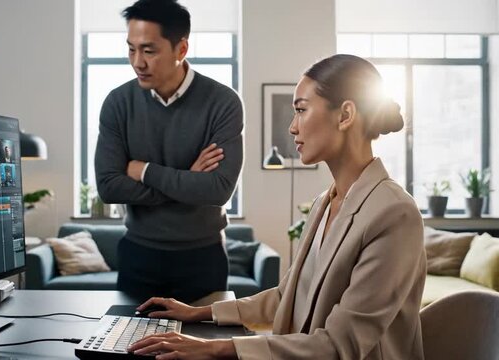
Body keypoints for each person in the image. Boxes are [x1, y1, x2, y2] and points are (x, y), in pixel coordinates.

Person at [129, 54, 426, 359]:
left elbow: (340, 346)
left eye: (301, 110)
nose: (292, 128)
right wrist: (198, 312)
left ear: (345, 114)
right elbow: (287, 296)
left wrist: (214, 348)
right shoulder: (325, 202)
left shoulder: (394, 214)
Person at [94, 0, 244, 303]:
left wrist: (144, 171)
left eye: (149, 50)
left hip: (203, 258)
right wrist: (188, 180)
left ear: (181, 49)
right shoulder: (117, 103)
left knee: (204, 347)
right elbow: (109, 186)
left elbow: (217, 190)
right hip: (139, 255)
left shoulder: (223, 103)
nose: (138, 62)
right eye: (131, 49)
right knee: (128, 347)